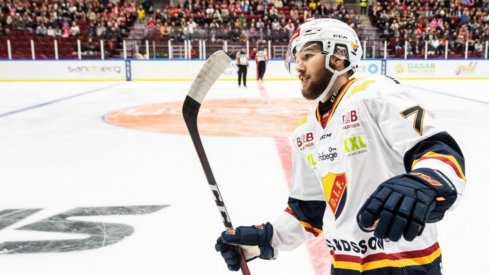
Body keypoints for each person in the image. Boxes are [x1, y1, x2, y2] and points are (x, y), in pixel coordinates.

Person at [215, 18, 465, 275]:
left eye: (307, 55)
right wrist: (266, 239)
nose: (298, 67)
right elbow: (310, 209)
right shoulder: (305, 132)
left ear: (339, 56)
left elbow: (438, 149)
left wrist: (423, 183)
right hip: (344, 266)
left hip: (405, 264)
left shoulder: (374, 93)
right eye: (296, 58)